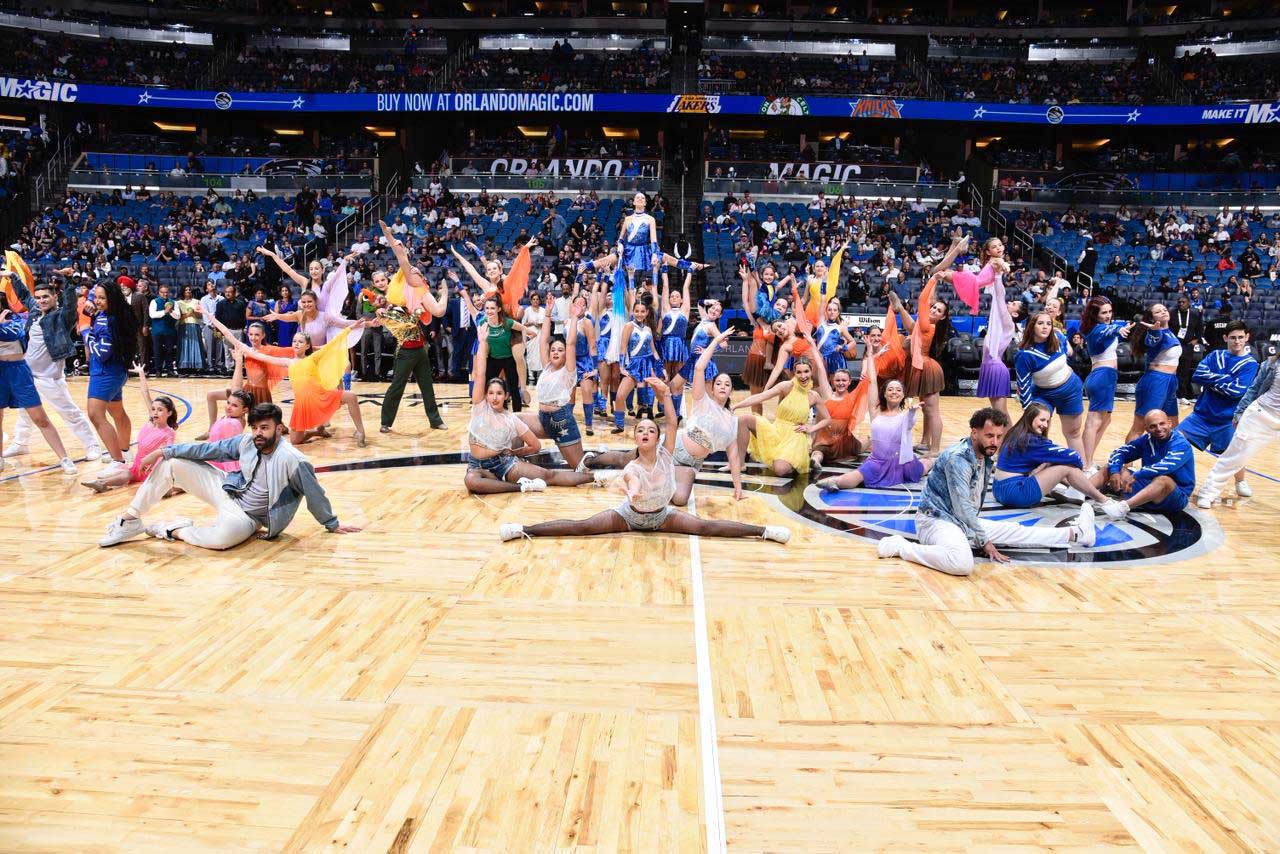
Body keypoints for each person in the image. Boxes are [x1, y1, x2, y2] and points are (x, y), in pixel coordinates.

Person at [499, 377, 788, 544]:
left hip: (661, 518)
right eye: (641, 430)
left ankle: (764, 532)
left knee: (704, 527)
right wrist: (632, 490)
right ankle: (525, 529)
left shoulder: (667, 453)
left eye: (651, 429)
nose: (646, 432)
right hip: (628, 517)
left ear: (657, 437)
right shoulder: (633, 466)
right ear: (637, 439)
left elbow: (672, 421)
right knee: (582, 526)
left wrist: (665, 394)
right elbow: (633, 481)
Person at [97, 403, 362, 549]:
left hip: (248, 517)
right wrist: (164, 451)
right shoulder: (247, 441)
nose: (258, 433)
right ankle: (129, 520)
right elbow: (205, 450)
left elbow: (315, 493)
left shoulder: (294, 460)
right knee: (173, 463)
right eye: (255, 428)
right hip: (228, 491)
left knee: (221, 541)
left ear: (279, 428)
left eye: (265, 428)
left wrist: (331, 523)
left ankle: (173, 529)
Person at [876, 408, 1097, 576]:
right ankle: (902, 547)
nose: (995, 442)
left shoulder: (984, 455)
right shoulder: (958, 459)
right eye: (989, 436)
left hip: (961, 521)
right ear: (974, 433)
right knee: (962, 563)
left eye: (999, 437)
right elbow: (962, 507)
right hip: (935, 521)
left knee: (1014, 531)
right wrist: (984, 541)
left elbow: (967, 511)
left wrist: (978, 535)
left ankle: (1076, 534)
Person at [584, 326, 745, 506]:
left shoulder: (732, 421)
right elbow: (699, 368)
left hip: (690, 464)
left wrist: (738, 487)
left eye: (727, 384)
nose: (723, 386)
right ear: (712, 388)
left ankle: (654, 477)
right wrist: (715, 341)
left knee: (680, 500)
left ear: (731, 390)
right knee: (623, 459)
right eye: (719, 383)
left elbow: (733, 455)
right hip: (673, 448)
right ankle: (590, 460)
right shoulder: (703, 401)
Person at [463, 324, 596, 495]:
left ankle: (595, 477)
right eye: (491, 393)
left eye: (499, 393)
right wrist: (482, 343)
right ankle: (521, 486)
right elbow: (480, 373)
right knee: (471, 480)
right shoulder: (480, 408)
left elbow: (535, 445)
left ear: (506, 396)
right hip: (477, 465)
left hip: (504, 463)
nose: (494, 397)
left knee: (550, 475)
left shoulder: (512, 419)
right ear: (485, 395)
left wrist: (514, 452)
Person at [1, 272, 101, 463]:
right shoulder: (35, 311)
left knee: (69, 412)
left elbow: (70, 304)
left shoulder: (61, 317)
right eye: (38, 297)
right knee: (25, 412)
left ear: (55, 297)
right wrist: (12, 276)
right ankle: (21, 443)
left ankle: (92, 445)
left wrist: (69, 281)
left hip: (50, 377)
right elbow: (24, 295)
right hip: (27, 374)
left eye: (46, 297)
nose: (41, 301)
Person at [233, 325, 369, 446]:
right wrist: (241, 349)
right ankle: (316, 432)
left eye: (300, 341)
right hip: (302, 403)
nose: (296, 344)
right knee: (295, 441)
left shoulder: (313, 358)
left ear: (307, 346)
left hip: (319, 396)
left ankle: (360, 431)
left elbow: (333, 344)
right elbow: (262, 357)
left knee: (351, 396)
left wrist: (351, 328)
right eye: (294, 341)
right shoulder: (288, 362)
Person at [816, 349, 931, 492]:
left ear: (903, 395)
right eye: (890, 389)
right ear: (884, 394)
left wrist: (912, 412)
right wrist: (870, 355)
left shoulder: (905, 415)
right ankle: (836, 481)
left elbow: (909, 422)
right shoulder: (876, 412)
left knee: (925, 466)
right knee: (857, 475)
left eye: (898, 390)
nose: (894, 392)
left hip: (902, 462)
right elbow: (872, 382)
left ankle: (931, 462)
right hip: (877, 461)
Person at [991, 402, 1125, 515]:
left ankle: (1079, 489)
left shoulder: (1016, 432)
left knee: (1051, 462)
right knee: (1066, 468)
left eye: (1047, 421)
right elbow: (1073, 456)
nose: (1045, 425)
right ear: (1030, 417)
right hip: (1015, 493)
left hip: (999, 490)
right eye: (1042, 420)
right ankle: (1103, 500)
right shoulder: (1031, 441)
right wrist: (1078, 467)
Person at [1174, 321, 1257, 495]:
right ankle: (1174, 478)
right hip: (1201, 416)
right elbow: (1198, 375)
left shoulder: (1250, 364)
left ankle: (1240, 482)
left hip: (1227, 421)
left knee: (1235, 455)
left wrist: (1212, 380)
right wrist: (1227, 379)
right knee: (1175, 440)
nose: (1237, 341)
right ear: (1225, 338)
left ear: (1247, 337)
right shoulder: (1215, 355)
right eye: (1233, 337)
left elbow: (1236, 391)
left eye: (1240, 337)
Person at [1197, 351, 1280, 508]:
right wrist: (1240, 411)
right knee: (1235, 458)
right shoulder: (1271, 364)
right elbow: (1254, 389)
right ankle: (1208, 493)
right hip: (1261, 416)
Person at [0, 307, 78, 474]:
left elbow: (13, 334)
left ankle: (64, 458)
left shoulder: (14, 317)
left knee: (40, 418)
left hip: (18, 371)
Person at [514, 302, 589, 469]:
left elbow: (571, 343)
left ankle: (616, 461)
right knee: (514, 420)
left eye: (560, 350)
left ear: (566, 355)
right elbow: (543, 342)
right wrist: (547, 314)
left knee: (580, 468)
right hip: (543, 419)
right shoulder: (547, 367)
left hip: (562, 422)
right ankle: (516, 464)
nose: (555, 352)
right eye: (553, 349)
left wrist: (574, 317)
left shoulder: (568, 371)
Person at [82, 363, 176, 492]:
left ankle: (177, 487)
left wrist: (156, 466)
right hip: (138, 466)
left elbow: (168, 454)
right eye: (154, 409)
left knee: (164, 487)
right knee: (126, 474)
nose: (155, 412)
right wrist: (141, 373)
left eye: (160, 410)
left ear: (169, 413)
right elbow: (145, 393)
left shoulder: (169, 433)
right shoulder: (151, 420)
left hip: (152, 469)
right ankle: (101, 484)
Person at [735, 350, 823, 477]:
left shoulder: (814, 396)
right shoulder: (786, 386)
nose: (803, 376)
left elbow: (827, 419)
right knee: (743, 419)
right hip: (776, 430)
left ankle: (794, 462)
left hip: (794, 436)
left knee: (780, 470)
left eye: (806, 371)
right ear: (794, 373)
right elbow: (760, 397)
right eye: (799, 372)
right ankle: (740, 463)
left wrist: (811, 428)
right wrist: (736, 406)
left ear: (811, 372)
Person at [1089, 410, 1194, 517]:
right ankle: (1082, 491)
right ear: (1146, 429)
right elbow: (1120, 452)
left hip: (1173, 497)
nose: (1158, 429)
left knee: (1163, 480)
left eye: (1162, 424)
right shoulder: (1147, 440)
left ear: (1169, 423)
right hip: (1147, 489)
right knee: (1110, 467)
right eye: (1153, 426)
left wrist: (1136, 475)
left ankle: (1121, 508)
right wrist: (1114, 472)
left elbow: (1166, 466)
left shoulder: (1181, 444)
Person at [82, 281, 138, 473]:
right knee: (117, 412)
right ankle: (125, 451)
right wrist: (91, 302)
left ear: (111, 299)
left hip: (105, 372)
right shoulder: (113, 315)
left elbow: (102, 353)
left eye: (101, 298)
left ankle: (118, 462)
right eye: (96, 297)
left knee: (95, 414)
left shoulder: (107, 321)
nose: (97, 301)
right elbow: (95, 290)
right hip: (116, 371)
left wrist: (86, 333)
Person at [1014, 311, 1085, 457]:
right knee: (1035, 431)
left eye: (1048, 323)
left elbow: (1068, 353)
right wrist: (1028, 411)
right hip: (1044, 394)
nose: (1045, 327)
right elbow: (1023, 386)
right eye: (1040, 323)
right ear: (1031, 326)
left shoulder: (1058, 338)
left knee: (1073, 432)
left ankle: (1082, 466)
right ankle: (1032, 464)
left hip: (1071, 390)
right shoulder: (1024, 355)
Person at [1079, 296, 1132, 470]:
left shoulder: (1101, 328)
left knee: (1106, 420)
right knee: (1093, 422)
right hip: (1102, 377)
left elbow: (1112, 331)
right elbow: (1110, 331)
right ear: (1095, 315)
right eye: (1103, 313)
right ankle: (1085, 464)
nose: (1108, 315)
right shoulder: (1097, 329)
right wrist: (1118, 329)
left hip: (1106, 377)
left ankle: (1087, 459)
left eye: (1109, 312)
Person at [1125, 303, 1182, 441]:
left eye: (1165, 309)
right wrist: (1154, 331)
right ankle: (1126, 456)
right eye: (1158, 312)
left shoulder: (1169, 332)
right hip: (1155, 381)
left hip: (1170, 381)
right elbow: (1151, 341)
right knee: (1140, 427)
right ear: (1151, 318)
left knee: (1172, 425)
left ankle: (1167, 454)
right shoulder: (1155, 333)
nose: (1163, 312)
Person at [149, 284, 179, 377]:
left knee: (169, 351)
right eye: (163, 292)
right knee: (157, 351)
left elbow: (178, 316)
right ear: (159, 293)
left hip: (170, 331)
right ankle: (158, 370)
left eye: (166, 292)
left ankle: (170, 370)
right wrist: (164, 312)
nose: (165, 294)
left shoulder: (174, 302)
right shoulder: (154, 301)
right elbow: (152, 315)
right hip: (157, 331)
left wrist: (170, 311)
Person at [175, 285, 205, 374]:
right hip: (183, 325)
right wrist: (188, 314)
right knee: (184, 345)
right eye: (186, 290)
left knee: (195, 345)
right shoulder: (178, 303)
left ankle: (196, 366)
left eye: (189, 290)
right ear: (183, 292)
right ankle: (184, 366)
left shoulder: (197, 302)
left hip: (195, 325)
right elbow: (178, 317)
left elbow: (200, 316)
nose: (188, 291)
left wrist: (193, 312)